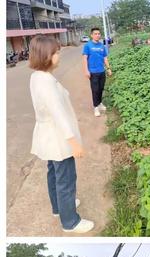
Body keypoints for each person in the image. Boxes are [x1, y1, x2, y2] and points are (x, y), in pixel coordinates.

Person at [29, 35, 95, 233]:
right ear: (46, 56)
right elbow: (58, 114)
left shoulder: (37, 77)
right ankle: (70, 222)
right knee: (65, 178)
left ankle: (59, 208)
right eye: (56, 52)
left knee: (54, 174)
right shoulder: (46, 82)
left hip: (48, 135)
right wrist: (73, 142)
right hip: (58, 137)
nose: (59, 55)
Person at [83, 27, 112, 117]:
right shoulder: (87, 46)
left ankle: (99, 103)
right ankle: (96, 107)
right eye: (95, 34)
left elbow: (105, 58)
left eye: (99, 34)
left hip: (101, 71)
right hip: (93, 72)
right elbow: (84, 58)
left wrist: (108, 68)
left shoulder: (102, 46)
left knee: (101, 89)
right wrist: (86, 70)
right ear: (91, 35)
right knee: (95, 90)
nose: (97, 35)